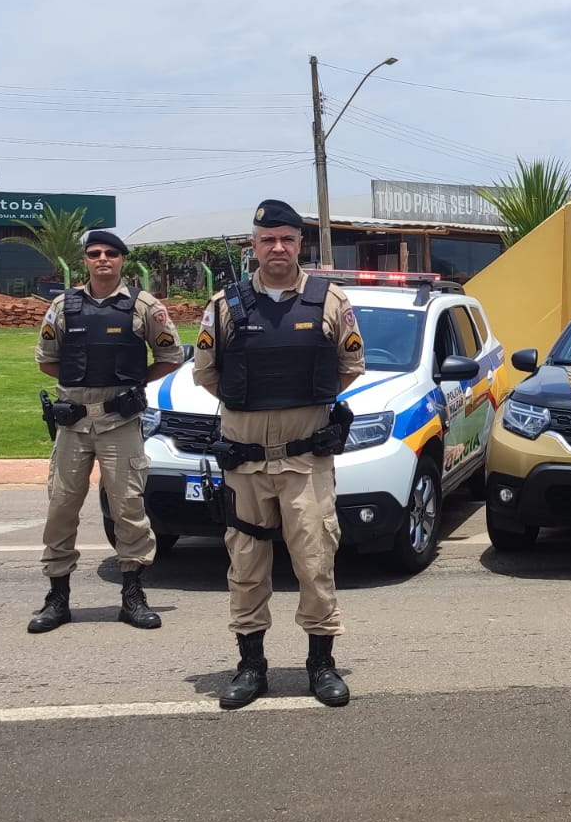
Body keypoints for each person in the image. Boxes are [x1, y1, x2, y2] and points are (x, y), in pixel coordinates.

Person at [193, 199, 365, 709]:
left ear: (299, 244)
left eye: (287, 239)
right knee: (246, 565)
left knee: (315, 560)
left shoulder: (329, 300)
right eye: (268, 239)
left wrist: (300, 407)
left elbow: (349, 366)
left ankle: (321, 664)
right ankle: (251, 666)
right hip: (245, 463)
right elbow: (207, 374)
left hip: (305, 462)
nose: (278, 248)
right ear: (254, 245)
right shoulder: (225, 306)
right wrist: (252, 406)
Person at [29, 229, 185, 633]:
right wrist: (82, 382)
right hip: (74, 423)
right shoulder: (63, 305)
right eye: (95, 253)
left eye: (111, 253)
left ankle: (133, 596)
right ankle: (57, 598)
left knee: (128, 509)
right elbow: (47, 359)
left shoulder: (144, 306)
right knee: (61, 507)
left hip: (120, 422)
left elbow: (171, 354)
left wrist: (133, 382)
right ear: (85, 259)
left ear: (122, 260)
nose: (103, 259)